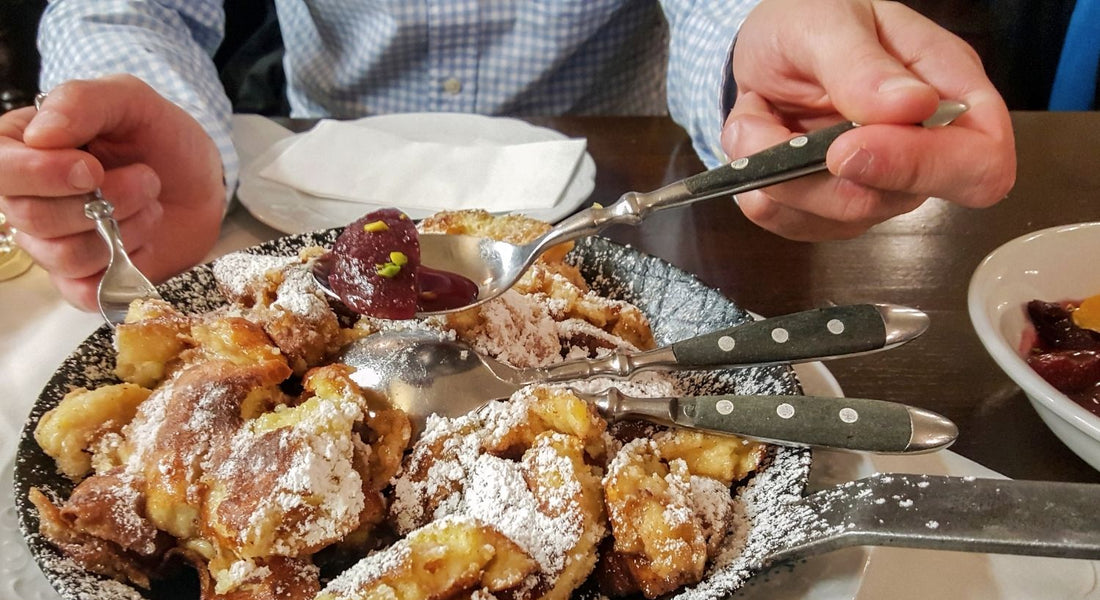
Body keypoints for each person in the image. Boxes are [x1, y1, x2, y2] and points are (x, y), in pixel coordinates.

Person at [0, 0, 1016, 311]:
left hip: (621, 196)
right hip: (291, 194)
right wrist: (157, 117)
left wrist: (760, 43)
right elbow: (121, 8)